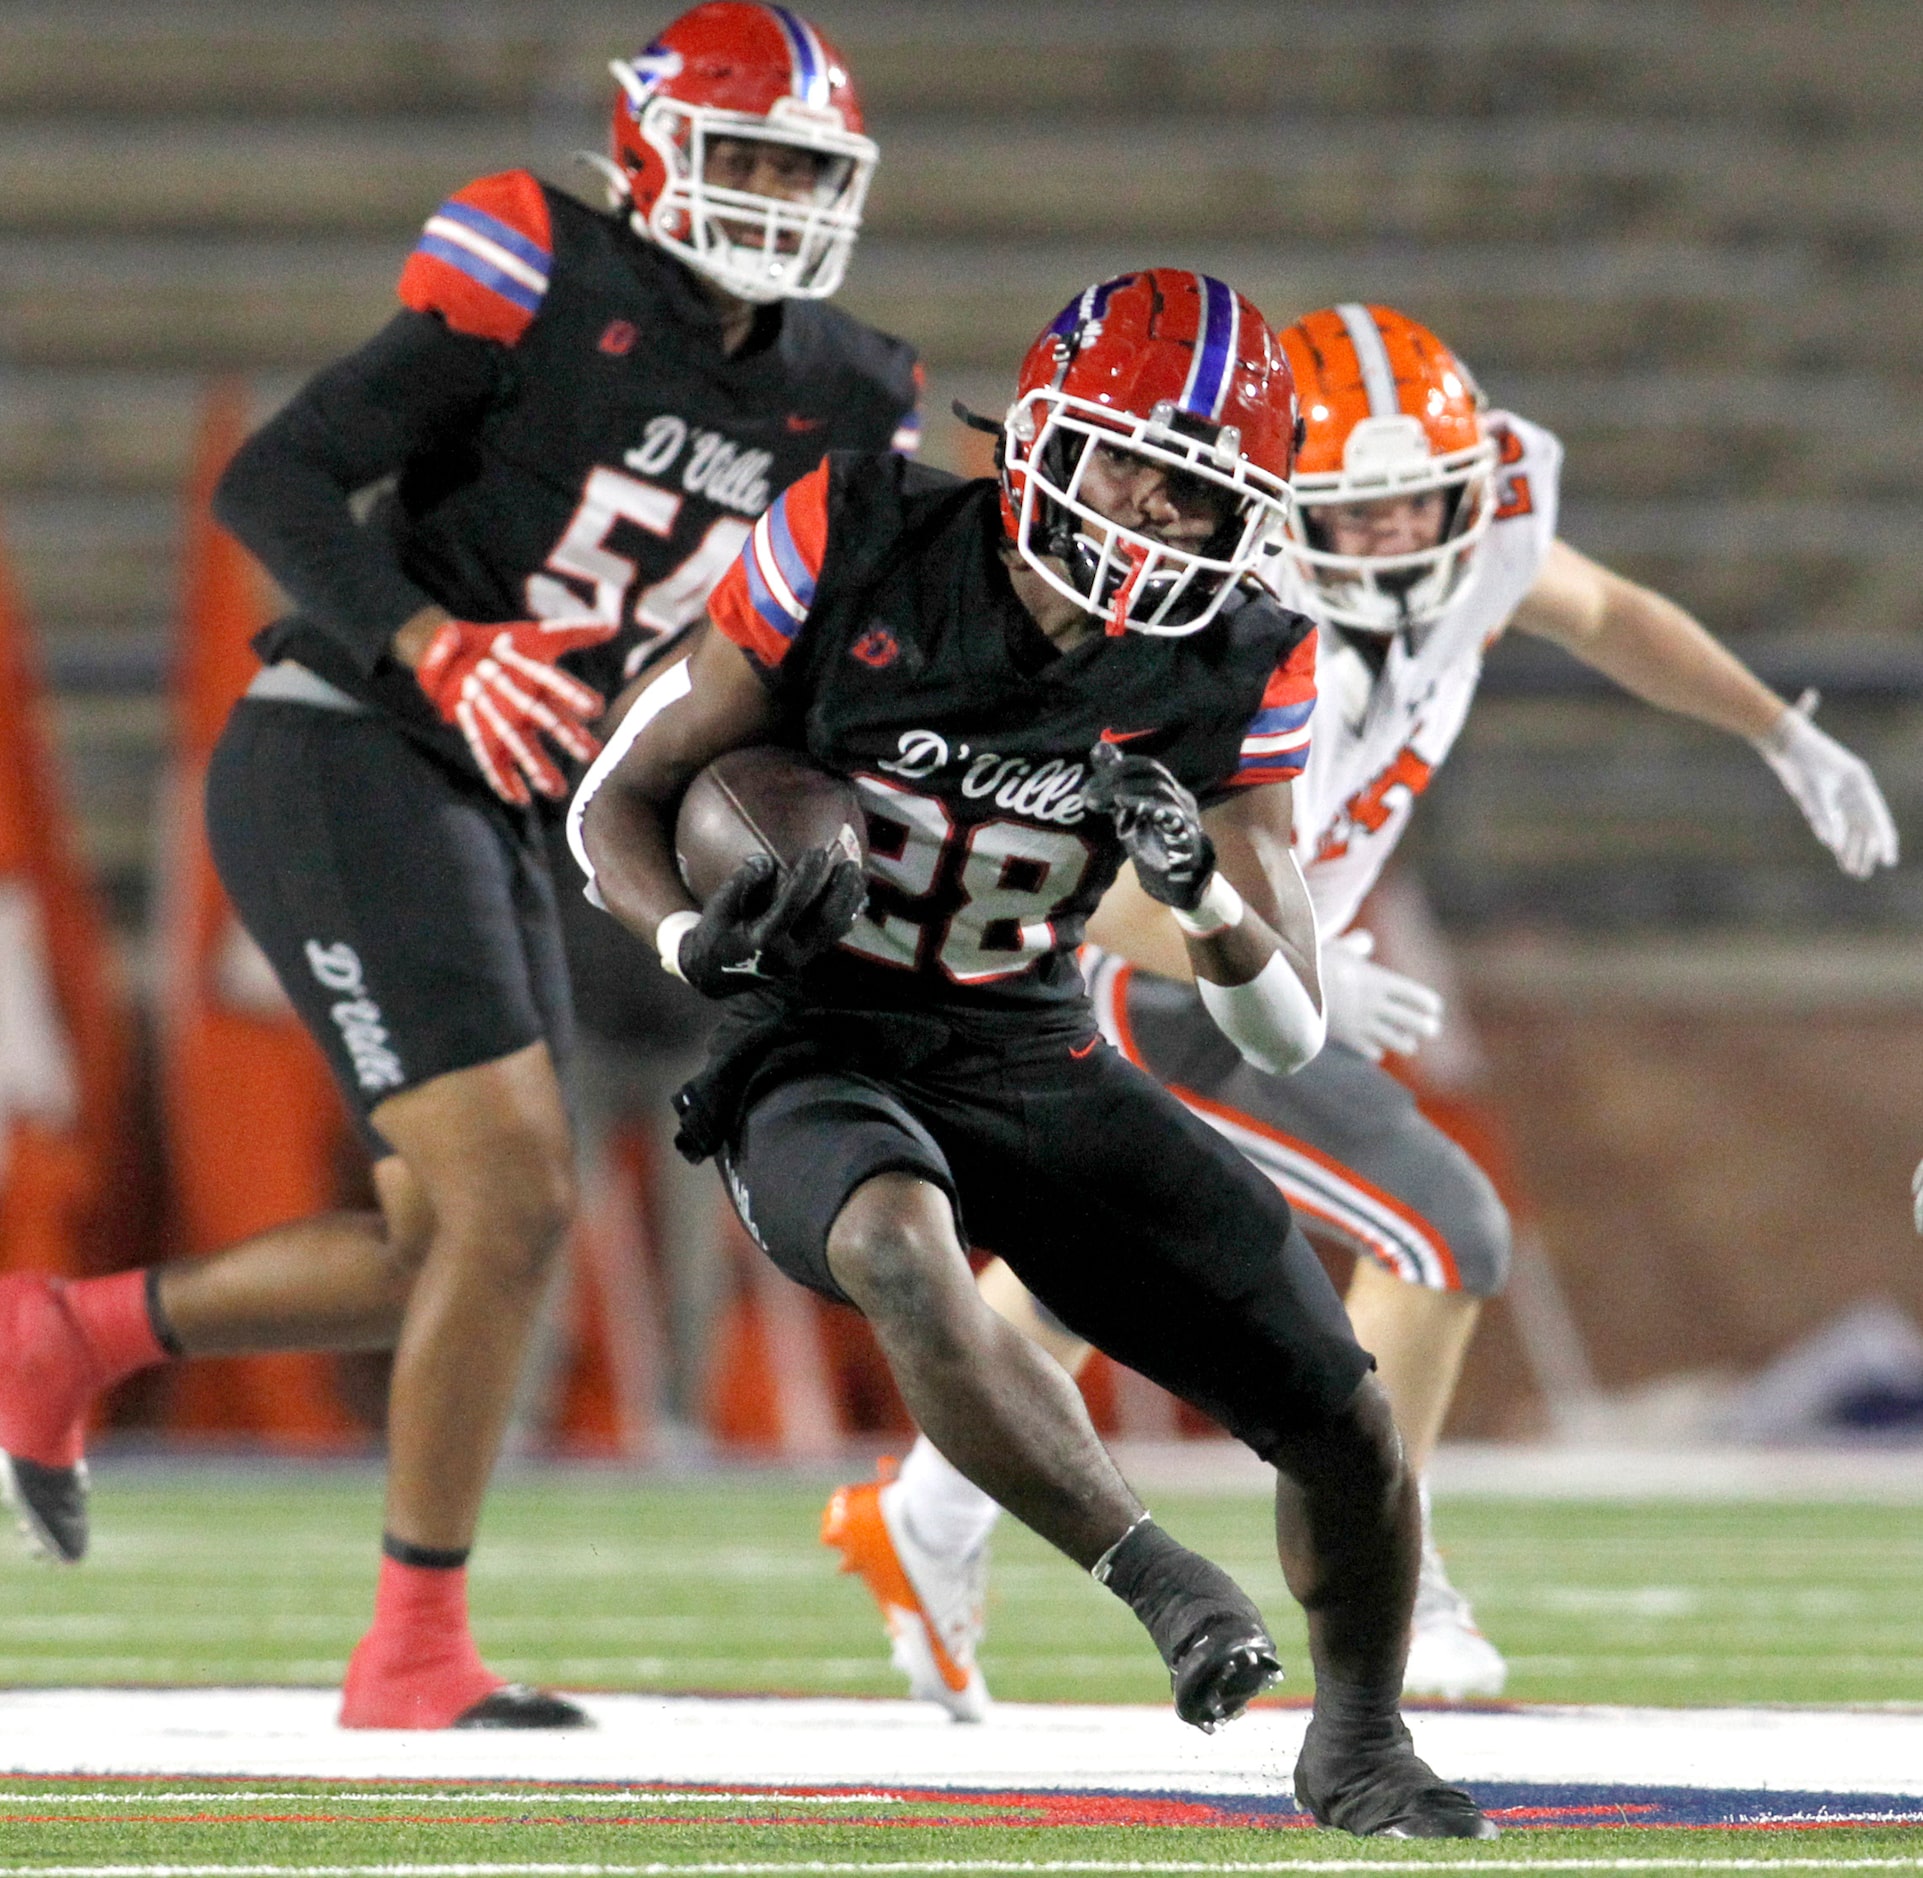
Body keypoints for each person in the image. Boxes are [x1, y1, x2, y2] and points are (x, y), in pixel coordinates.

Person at [0, 1, 918, 1732]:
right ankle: (412, 1649)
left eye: (811, 166)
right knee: (514, 1202)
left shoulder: (845, 389)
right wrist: (430, 640)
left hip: (506, 798)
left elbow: (852, 619)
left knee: (448, 1244)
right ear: (652, 146)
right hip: (346, 745)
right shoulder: (546, 274)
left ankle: (69, 1334)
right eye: (754, 157)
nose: (784, 196)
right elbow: (275, 480)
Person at [824, 300, 1901, 1714]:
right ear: (1276, 510)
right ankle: (1404, 1567)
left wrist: (1778, 725)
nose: (1397, 540)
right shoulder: (1217, 624)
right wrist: (1264, 946)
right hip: (1167, 977)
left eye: (1422, 506)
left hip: (1255, 961)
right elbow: (1061, 873)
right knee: (1443, 1222)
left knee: (1108, 1260)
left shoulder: (1484, 542)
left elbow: (1603, 609)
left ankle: (931, 1512)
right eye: (1361, 511)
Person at [573, 269, 1494, 1838]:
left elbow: (1288, 1022)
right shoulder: (857, 532)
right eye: (1129, 461)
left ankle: (1361, 1740)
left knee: (1337, 1404)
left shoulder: (1239, 652)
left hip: (1027, 1037)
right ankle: (1158, 1578)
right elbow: (617, 797)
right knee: (892, 1238)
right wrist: (683, 937)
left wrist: (1199, 887)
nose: (1151, 514)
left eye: (1196, 492)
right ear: (1039, 434)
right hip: (820, 1035)